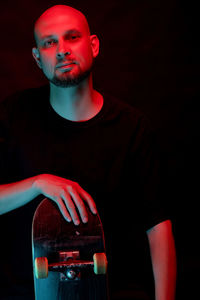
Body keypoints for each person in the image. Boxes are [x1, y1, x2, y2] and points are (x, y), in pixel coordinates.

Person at [0, 4, 176, 300]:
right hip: (25, 292)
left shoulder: (132, 127)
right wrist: (36, 183)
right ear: (37, 57)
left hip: (112, 291)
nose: (61, 50)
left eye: (72, 37)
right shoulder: (12, 116)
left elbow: (158, 228)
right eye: (49, 42)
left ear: (93, 45)